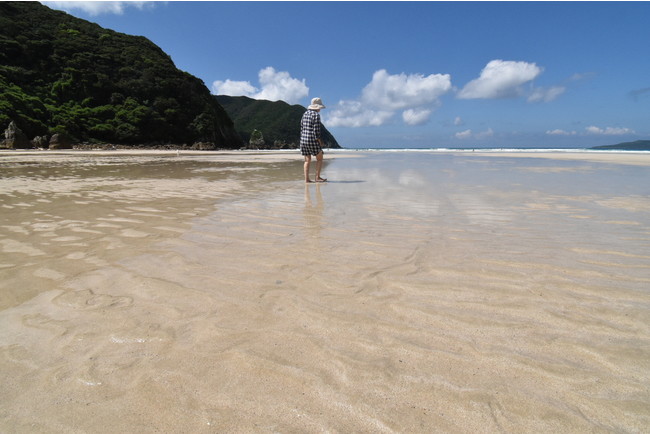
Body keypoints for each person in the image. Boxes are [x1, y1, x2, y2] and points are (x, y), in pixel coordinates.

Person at [300, 97, 327, 183]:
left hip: (303, 140)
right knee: (319, 158)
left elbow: (302, 128)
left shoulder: (305, 114)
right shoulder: (316, 115)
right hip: (312, 139)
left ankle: (307, 179)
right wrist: (320, 141)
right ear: (317, 107)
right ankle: (317, 177)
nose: (320, 109)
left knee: (307, 160)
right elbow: (316, 131)